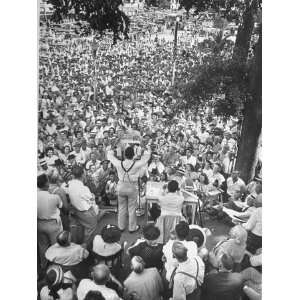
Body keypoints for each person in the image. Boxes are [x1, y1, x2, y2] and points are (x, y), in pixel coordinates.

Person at [107, 145, 151, 233]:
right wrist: (147, 150)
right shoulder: (136, 164)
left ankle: (121, 227)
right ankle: (132, 228)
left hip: (121, 187)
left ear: (125, 155)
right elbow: (146, 158)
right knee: (132, 208)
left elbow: (109, 156)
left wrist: (113, 150)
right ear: (133, 155)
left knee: (122, 207)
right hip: (132, 187)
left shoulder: (119, 163)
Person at [67, 165, 100, 247]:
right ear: (82, 175)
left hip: (76, 210)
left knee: (82, 229)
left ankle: (79, 247)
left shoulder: (70, 184)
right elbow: (91, 200)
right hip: (86, 212)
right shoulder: (83, 188)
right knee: (91, 230)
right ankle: (85, 250)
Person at [38, 173, 63, 270]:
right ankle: (56, 268)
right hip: (52, 224)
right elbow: (61, 206)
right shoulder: (54, 197)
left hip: (39, 223)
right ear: (46, 184)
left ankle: (44, 266)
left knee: (42, 246)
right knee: (56, 246)